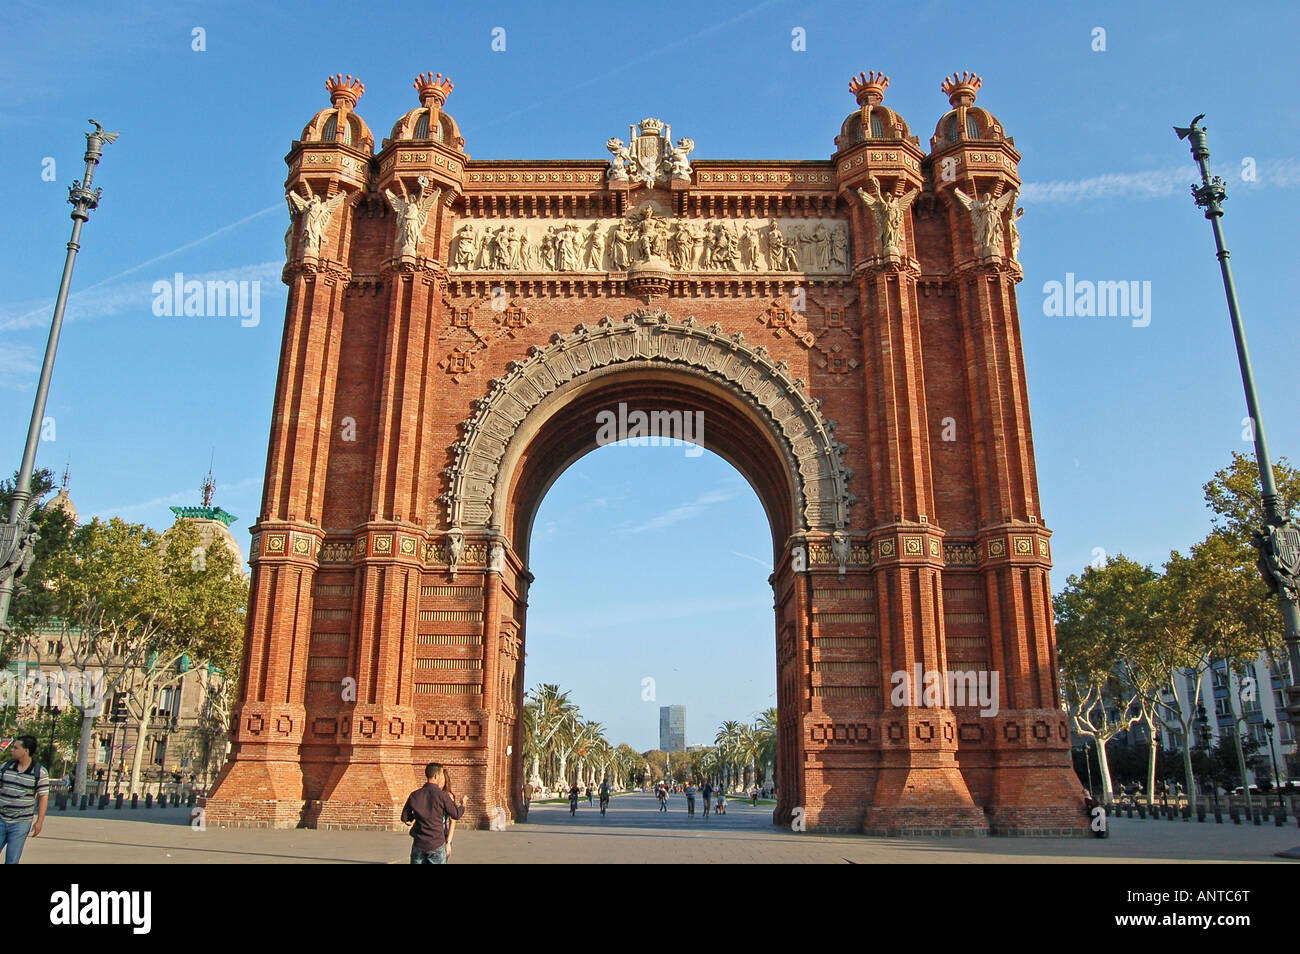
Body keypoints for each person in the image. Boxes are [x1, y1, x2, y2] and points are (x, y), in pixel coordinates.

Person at [401, 762, 465, 864]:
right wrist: (463, 805)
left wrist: (413, 817)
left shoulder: (415, 795)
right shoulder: (442, 796)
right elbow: (456, 814)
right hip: (436, 843)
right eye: (441, 775)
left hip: (419, 843)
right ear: (436, 776)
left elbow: (404, 817)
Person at [0, 735, 48, 864]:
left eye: (15, 748)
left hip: (20, 823)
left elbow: (43, 797)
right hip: (1, 818)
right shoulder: (5, 767)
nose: (12, 750)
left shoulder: (39, 772)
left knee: (12, 859)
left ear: (26, 751)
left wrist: (40, 821)